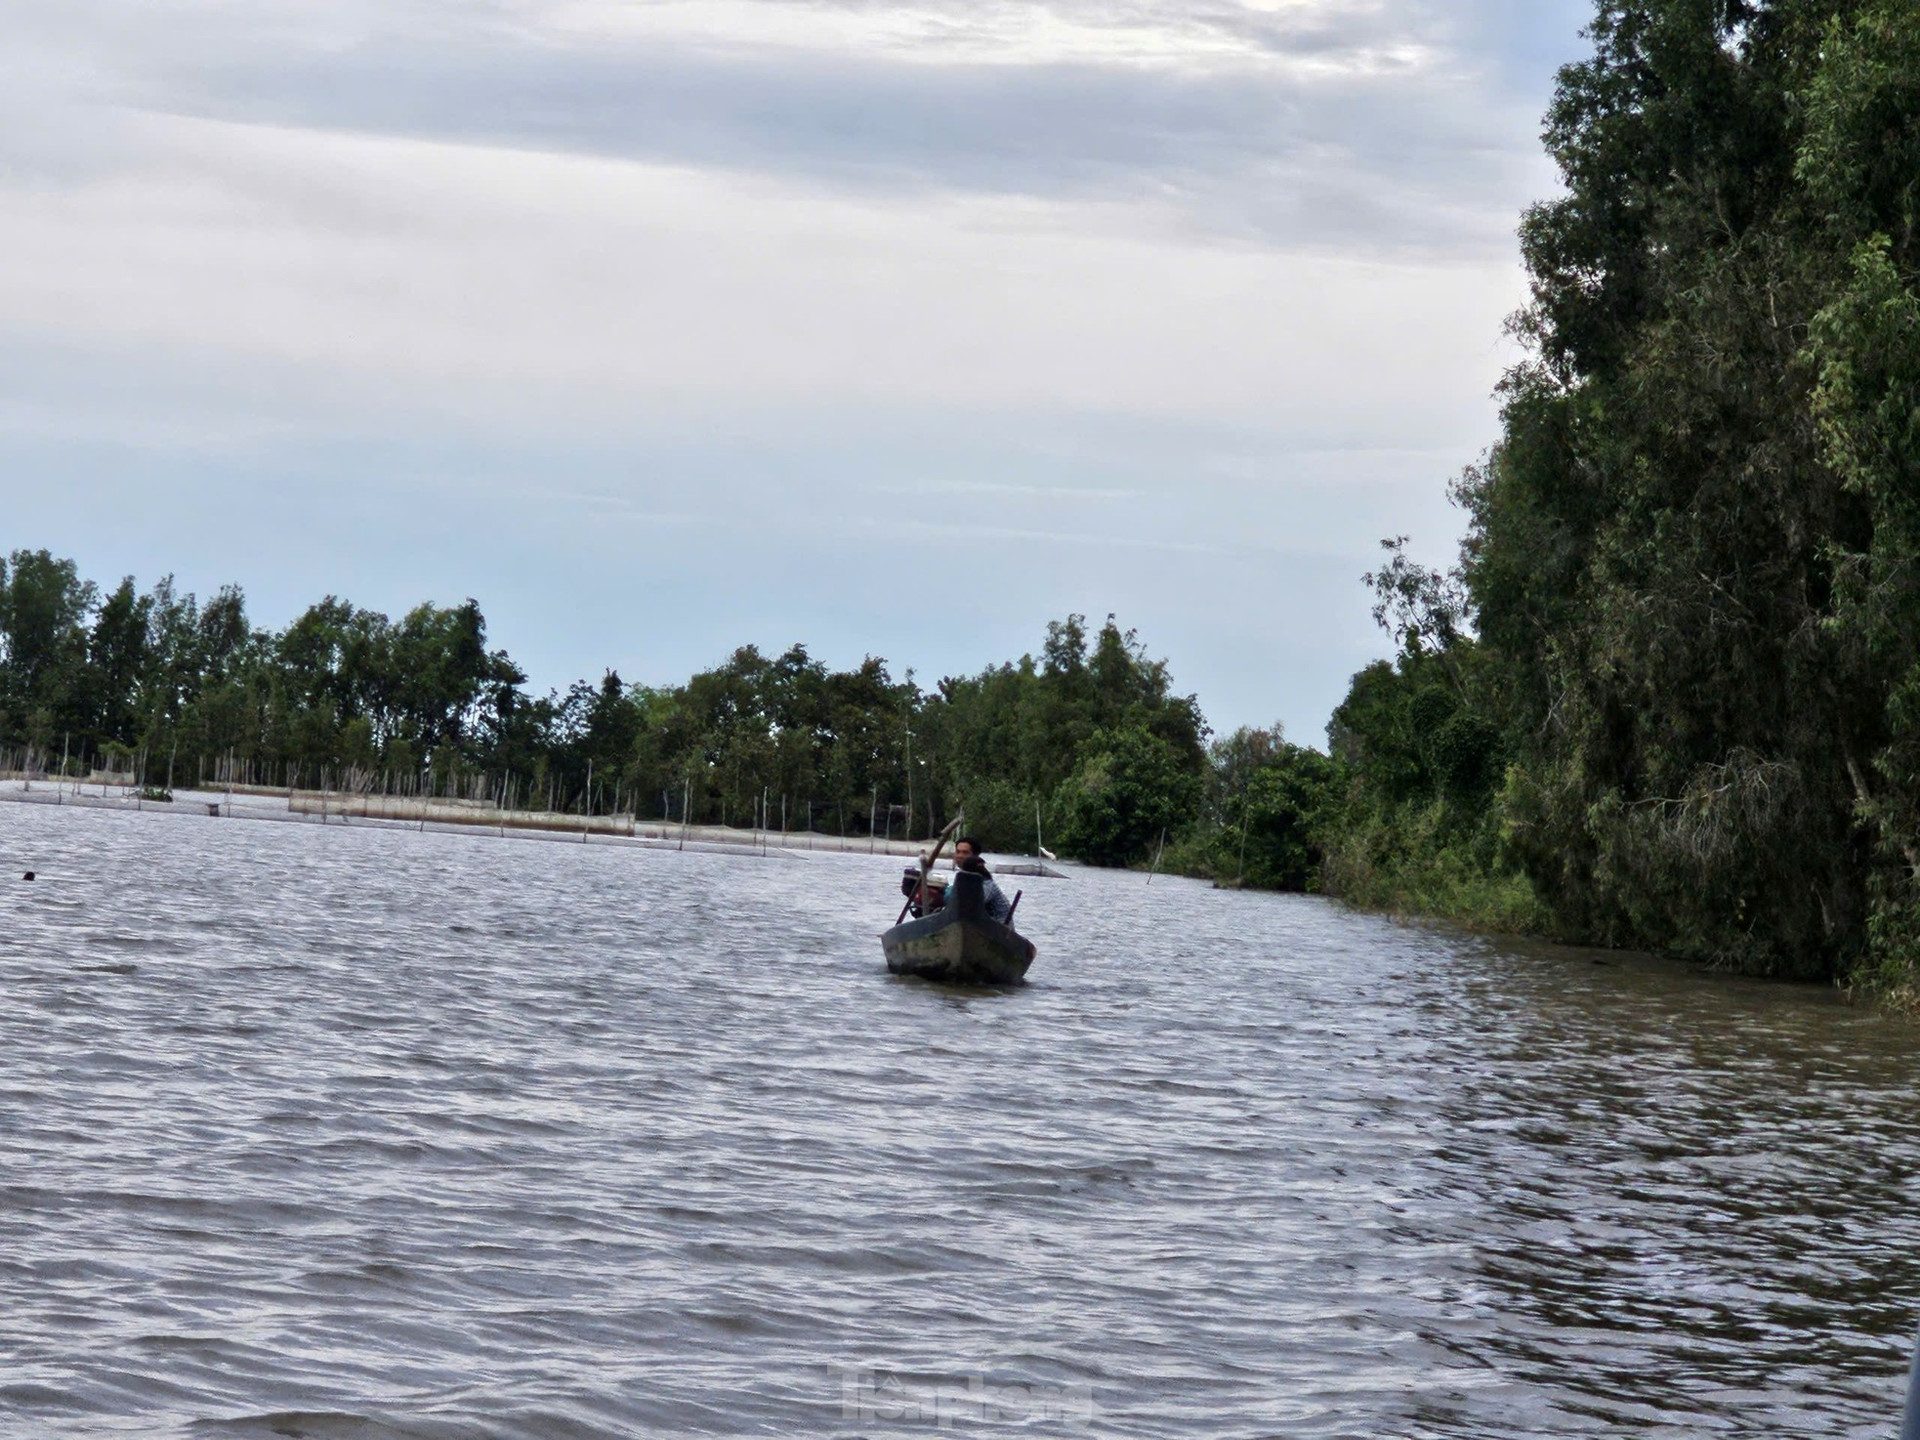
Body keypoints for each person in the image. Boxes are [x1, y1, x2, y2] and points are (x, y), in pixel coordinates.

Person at [953, 836, 1013, 924]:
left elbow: (974, 902)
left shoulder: (986, 882)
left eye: (965, 853)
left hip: (998, 928)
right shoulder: (962, 877)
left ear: (975, 856)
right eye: (958, 852)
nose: (960, 856)